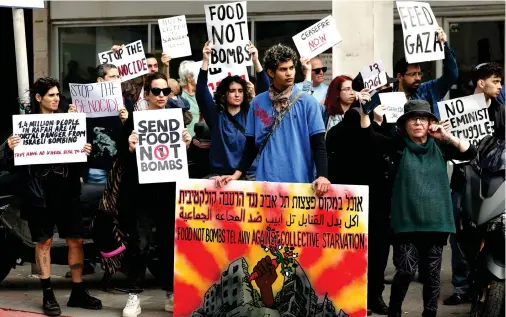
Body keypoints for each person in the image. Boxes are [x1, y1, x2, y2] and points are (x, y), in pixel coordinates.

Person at [359, 99, 477, 317]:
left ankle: (429, 314)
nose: (418, 123)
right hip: (405, 223)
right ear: (404, 125)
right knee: (405, 270)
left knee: (432, 275)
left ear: (430, 123)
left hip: (436, 222)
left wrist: (447, 136)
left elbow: (470, 153)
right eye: (413, 119)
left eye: (422, 118)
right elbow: (370, 139)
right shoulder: (397, 146)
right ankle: (395, 311)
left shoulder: (441, 145)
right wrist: (365, 112)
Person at [4, 77, 102, 316]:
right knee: (44, 241)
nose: (56, 98)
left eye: (58, 94)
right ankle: (48, 293)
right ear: (39, 98)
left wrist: (88, 149)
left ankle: (78, 291)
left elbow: (87, 154)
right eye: (51, 95)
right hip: (40, 193)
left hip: (67, 190)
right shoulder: (26, 126)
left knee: (76, 239)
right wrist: (9, 148)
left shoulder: (70, 122)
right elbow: (10, 163)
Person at [117, 72, 191, 317]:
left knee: (170, 244)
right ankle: (134, 295)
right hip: (142, 193)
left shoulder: (176, 119)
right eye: (156, 91)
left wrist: (186, 142)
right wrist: (129, 147)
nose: (161, 96)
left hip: (169, 191)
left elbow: (182, 158)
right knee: (140, 243)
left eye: (166, 91)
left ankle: (171, 292)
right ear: (147, 94)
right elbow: (121, 157)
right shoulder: (136, 121)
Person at [215, 44, 330, 196]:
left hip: (300, 184)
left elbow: (319, 144)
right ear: (270, 72)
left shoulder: (308, 102)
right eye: (283, 69)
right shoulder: (257, 103)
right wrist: (235, 175)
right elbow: (251, 146)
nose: (289, 73)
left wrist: (322, 175)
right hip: (266, 184)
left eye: (291, 68)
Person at [444, 62, 503, 305]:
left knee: (493, 230)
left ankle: (487, 280)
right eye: (496, 81)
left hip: (493, 182)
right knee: (459, 232)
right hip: (463, 179)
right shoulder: (456, 110)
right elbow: (446, 148)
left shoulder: (502, 111)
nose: (500, 86)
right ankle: (462, 286)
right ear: (481, 83)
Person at [196, 41, 268, 179]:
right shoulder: (216, 116)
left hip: (249, 175)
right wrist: (205, 61)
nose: (237, 94)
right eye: (232, 91)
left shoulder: (251, 112)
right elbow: (201, 91)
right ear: (224, 94)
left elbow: (265, 90)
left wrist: (255, 60)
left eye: (240, 91)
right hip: (220, 177)